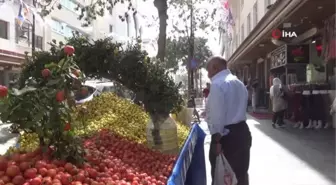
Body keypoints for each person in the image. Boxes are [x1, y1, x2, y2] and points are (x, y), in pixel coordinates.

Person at [206, 56, 252, 185]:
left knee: (223, 175)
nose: (208, 75)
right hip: (242, 132)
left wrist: (216, 140)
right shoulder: (239, 83)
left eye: (208, 70)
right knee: (241, 174)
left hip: (226, 137)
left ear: (215, 68)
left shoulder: (218, 84)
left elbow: (217, 116)